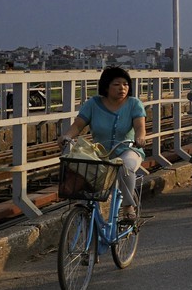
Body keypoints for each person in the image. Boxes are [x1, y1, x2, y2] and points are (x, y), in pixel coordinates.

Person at [63, 65, 147, 223]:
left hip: (128, 149)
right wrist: (66, 136)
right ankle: (84, 212)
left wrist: (140, 138)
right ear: (106, 86)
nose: (122, 88)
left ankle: (128, 206)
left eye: (125, 84)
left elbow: (140, 127)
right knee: (79, 166)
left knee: (125, 166)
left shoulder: (134, 104)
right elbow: (78, 125)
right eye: (116, 84)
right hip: (100, 152)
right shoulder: (93, 104)